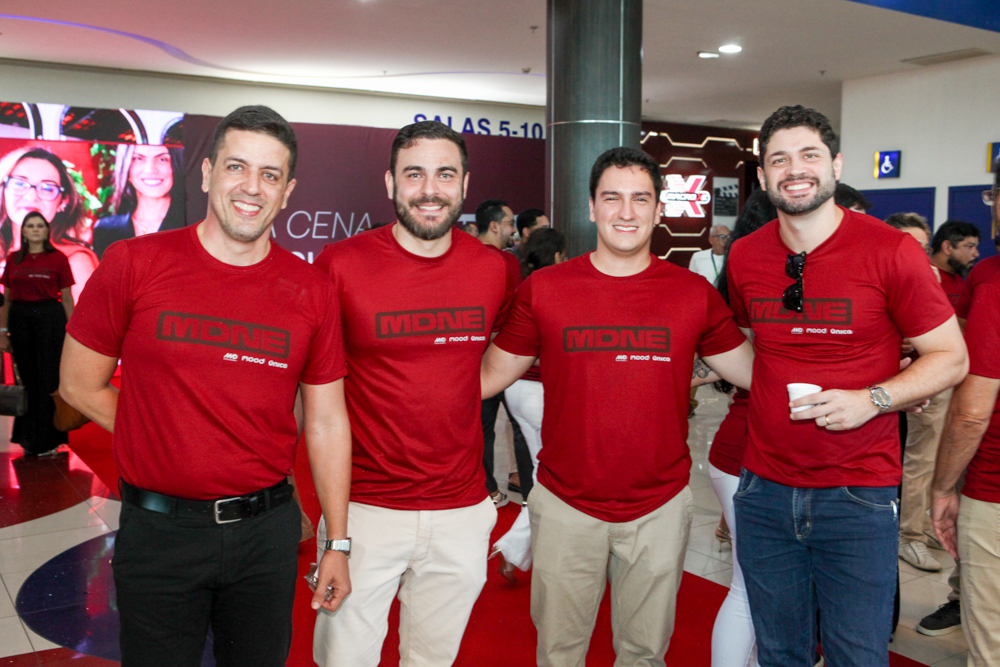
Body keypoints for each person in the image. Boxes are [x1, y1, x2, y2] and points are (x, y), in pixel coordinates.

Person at [60, 105, 352, 667]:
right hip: (159, 535)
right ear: (206, 173)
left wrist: (336, 542)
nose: (252, 187)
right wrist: (166, 435)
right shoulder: (133, 264)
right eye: (236, 167)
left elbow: (326, 419)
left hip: (266, 536)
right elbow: (78, 385)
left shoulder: (311, 291)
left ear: (287, 191)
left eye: (270, 175)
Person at [481, 146, 754, 666]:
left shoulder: (691, 293)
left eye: (639, 199)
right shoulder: (546, 289)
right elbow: (488, 376)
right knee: (559, 653)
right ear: (591, 207)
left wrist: (871, 383)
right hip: (565, 504)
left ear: (657, 210)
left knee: (644, 654)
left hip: (659, 507)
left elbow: (756, 372)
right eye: (612, 198)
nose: (625, 212)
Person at [726, 105, 968, 666]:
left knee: (856, 654)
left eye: (809, 155)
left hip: (857, 496)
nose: (794, 169)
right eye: (778, 159)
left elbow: (950, 356)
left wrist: (874, 398)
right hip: (763, 490)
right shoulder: (745, 255)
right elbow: (753, 346)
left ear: (834, 164)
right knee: (779, 651)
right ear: (763, 176)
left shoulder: (890, 249)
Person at [312, 120, 514, 667]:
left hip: (462, 509)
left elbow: (498, 359)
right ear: (390, 183)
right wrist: (332, 528)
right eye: (414, 174)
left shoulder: (492, 269)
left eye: (445, 174)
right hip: (366, 508)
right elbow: (315, 394)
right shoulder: (341, 264)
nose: (430, 189)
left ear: (465, 184)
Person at [917, 162, 1000, 638]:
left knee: (988, 643)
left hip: (993, 485)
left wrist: (943, 487)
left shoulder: (991, 278)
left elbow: (971, 412)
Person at [704, 188, 776, 667]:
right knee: (750, 592)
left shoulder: (739, 277)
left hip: (739, 448)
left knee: (752, 589)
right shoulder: (763, 278)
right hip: (748, 449)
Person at [489, 226, 566, 583]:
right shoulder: (553, 289)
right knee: (551, 477)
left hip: (516, 390)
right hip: (540, 393)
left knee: (543, 474)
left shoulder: (522, 287)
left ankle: (519, 549)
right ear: (558, 256)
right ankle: (515, 549)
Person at [880, 212, 950, 573]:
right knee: (905, 462)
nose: (919, 254)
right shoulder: (874, 270)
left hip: (926, 379)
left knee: (928, 458)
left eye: (923, 247)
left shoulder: (930, 274)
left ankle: (920, 525)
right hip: (881, 384)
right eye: (910, 245)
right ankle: (908, 536)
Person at [0, 212, 74, 456]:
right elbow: (6, 300)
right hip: (20, 320)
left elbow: (67, 299)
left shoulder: (59, 259)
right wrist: (2, 332)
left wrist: (73, 332)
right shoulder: (13, 259)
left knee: (48, 378)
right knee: (29, 380)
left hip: (50, 320)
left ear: (47, 230)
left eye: (40, 225)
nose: (35, 229)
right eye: (30, 226)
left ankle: (49, 438)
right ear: (23, 231)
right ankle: (27, 437)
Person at [475, 198, 530, 506]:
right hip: (507, 355)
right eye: (510, 223)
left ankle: (487, 490)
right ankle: (529, 488)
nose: (514, 229)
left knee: (482, 428)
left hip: (474, 355)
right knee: (520, 427)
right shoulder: (507, 262)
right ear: (494, 225)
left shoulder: (463, 257)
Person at [0, 147, 99, 302]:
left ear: (63, 201)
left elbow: (93, 324)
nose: (31, 196)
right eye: (19, 184)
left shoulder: (74, 261)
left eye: (47, 188)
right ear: (3, 190)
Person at [92, 143, 185, 259]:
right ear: (126, 166)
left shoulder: (194, 225)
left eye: (163, 159)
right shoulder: (105, 230)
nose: (150, 170)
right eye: (138, 158)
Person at [930, 220, 980, 306]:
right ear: (947, 247)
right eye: (970, 246)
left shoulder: (958, 277)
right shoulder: (923, 277)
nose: (976, 254)